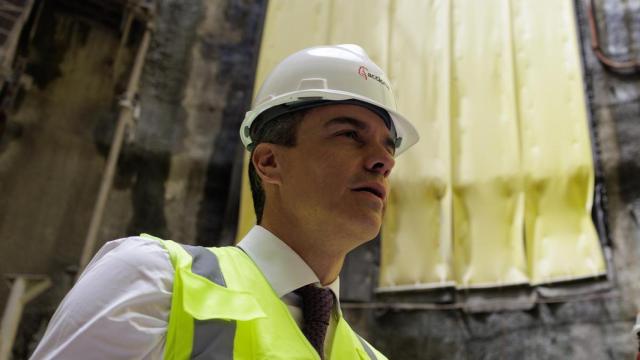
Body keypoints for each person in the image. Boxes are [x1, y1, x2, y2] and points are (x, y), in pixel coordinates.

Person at [31, 44, 419, 359]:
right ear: (269, 161)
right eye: (349, 134)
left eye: (389, 147)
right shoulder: (154, 281)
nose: (383, 160)